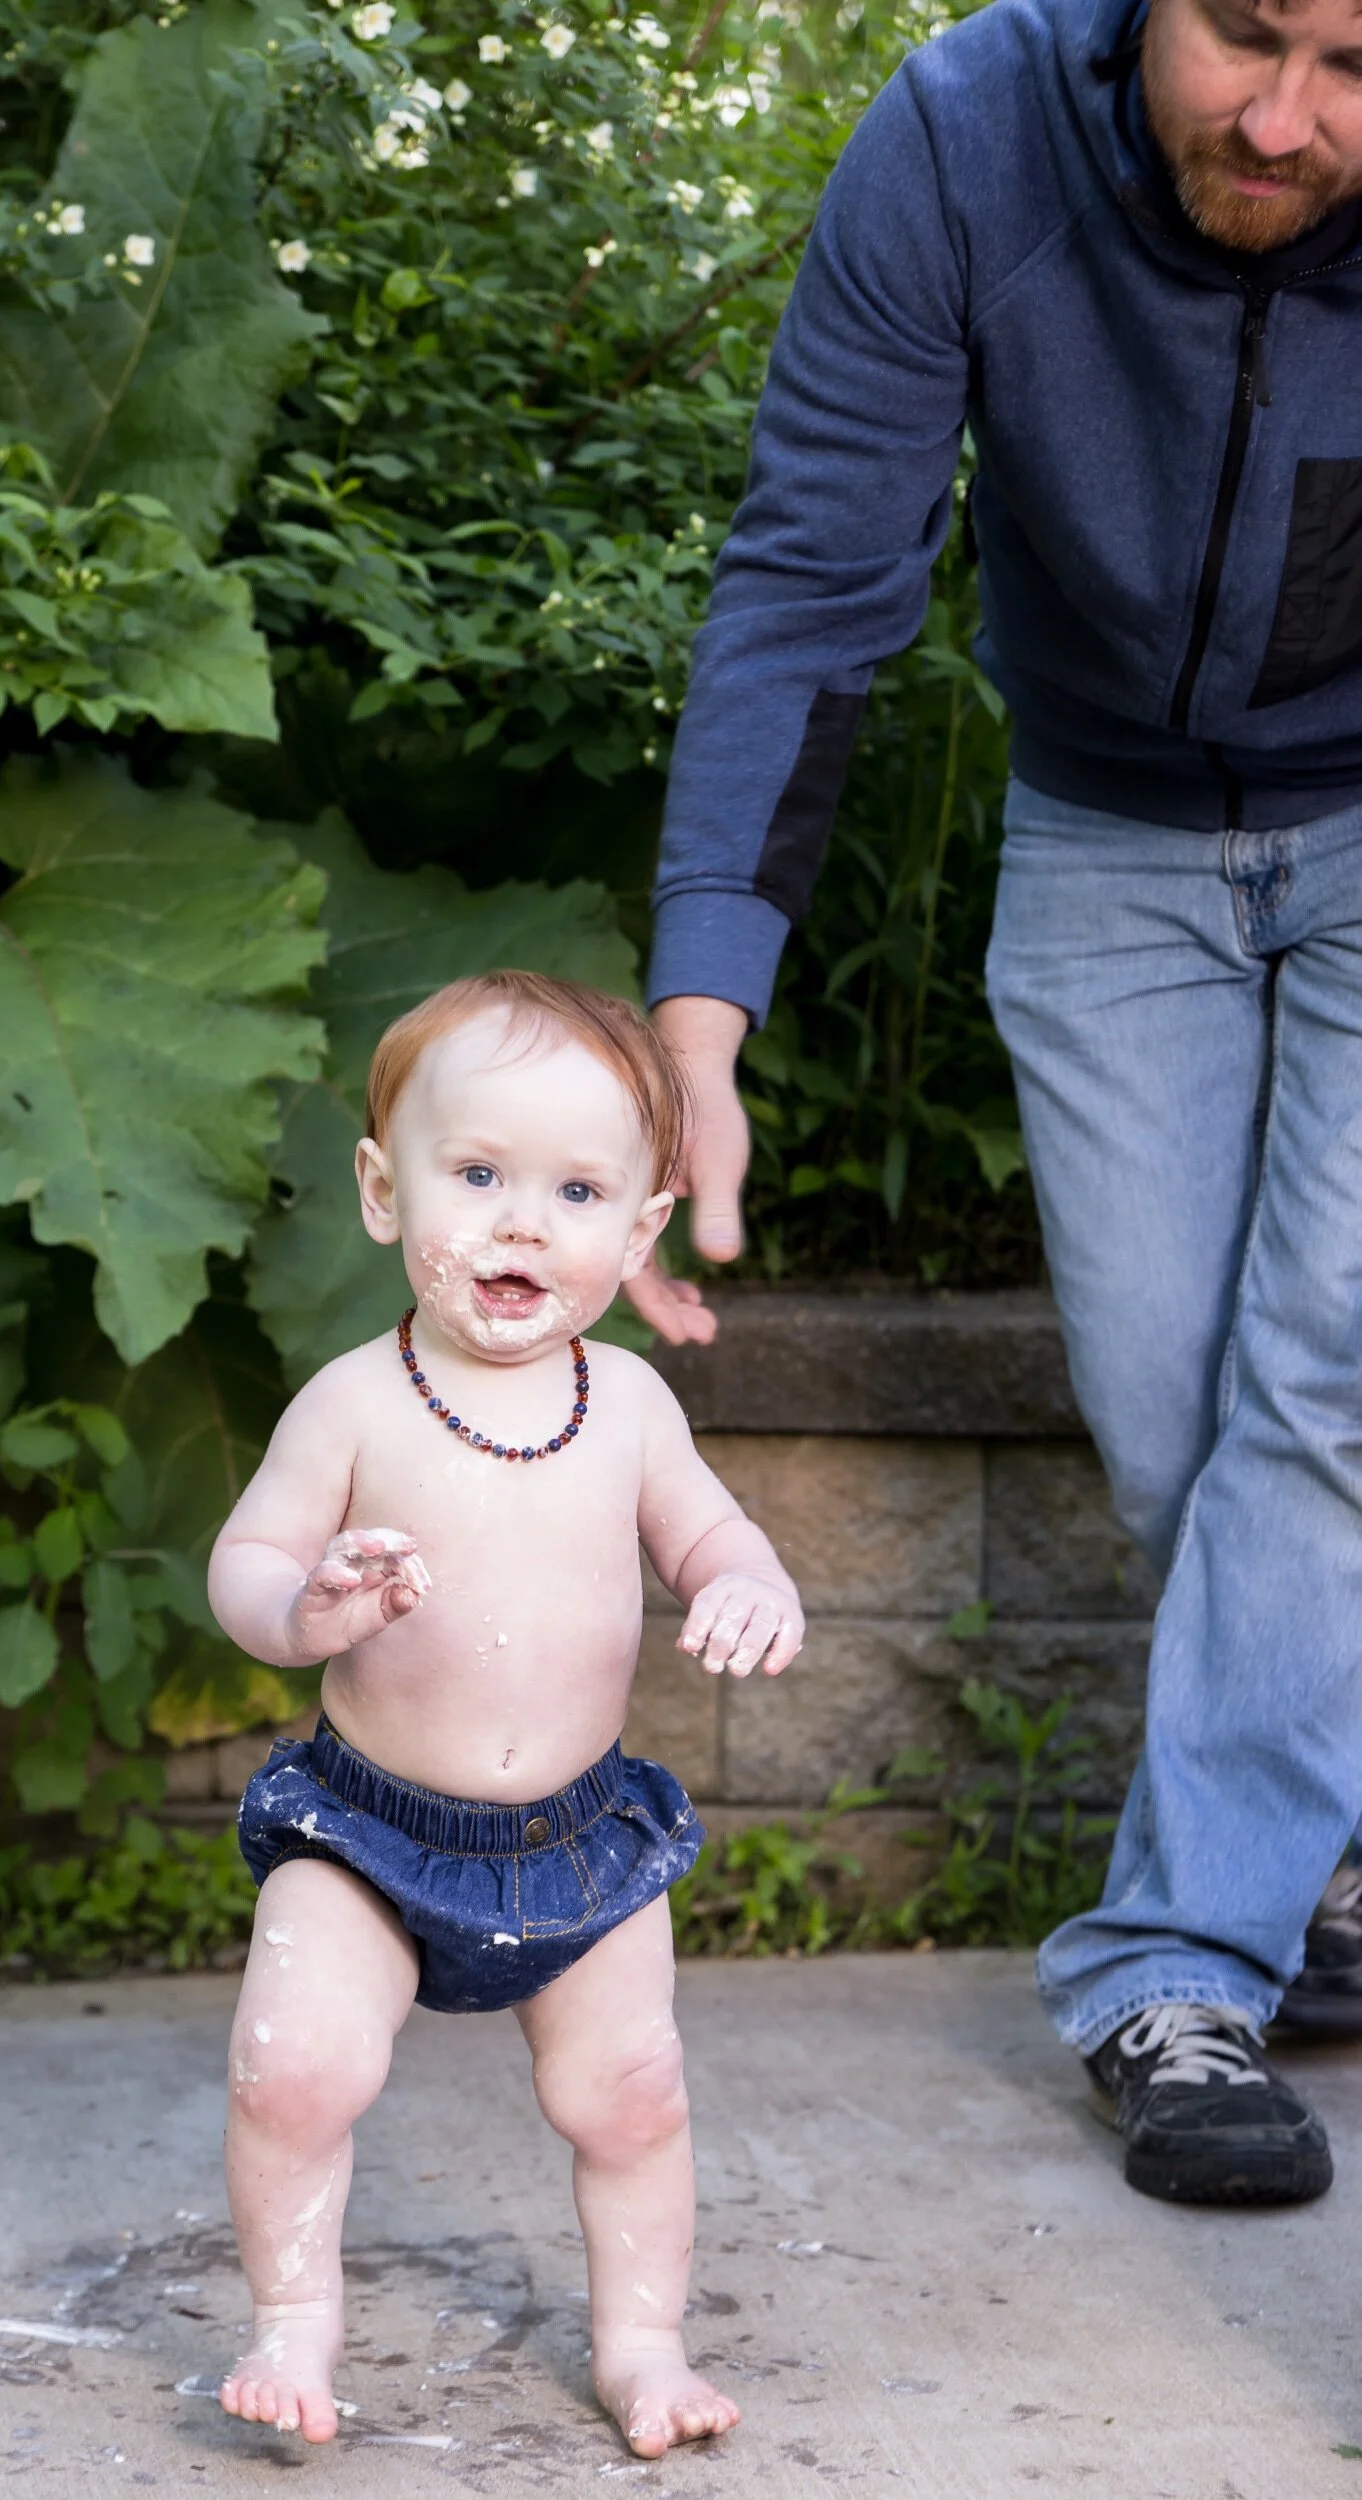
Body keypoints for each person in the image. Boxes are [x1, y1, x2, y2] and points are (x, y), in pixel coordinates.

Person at [631, 0, 1362, 2208]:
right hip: (1106, 840)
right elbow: (812, 575)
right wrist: (701, 1008)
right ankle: (1324, 1852)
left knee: (1326, 1376)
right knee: (1165, 1410)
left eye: (1354, 66)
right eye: (1243, 35)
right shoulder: (965, 135)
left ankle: (1173, 1967)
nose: (1282, 119)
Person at [207, 972, 804, 2456]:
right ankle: (292, 2320)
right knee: (293, 2067)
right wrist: (301, 1609)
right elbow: (248, 1559)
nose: (521, 1222)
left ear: (639, 1233)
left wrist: (749, 1582)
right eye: (475, 1175)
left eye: (575, 1191)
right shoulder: (353, 1402)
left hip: (575, 1838)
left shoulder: (633, 1407)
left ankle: (643, 2347)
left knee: (633, 2094)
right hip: (365, 1828)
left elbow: (711, 1535)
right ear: (381, 1191)